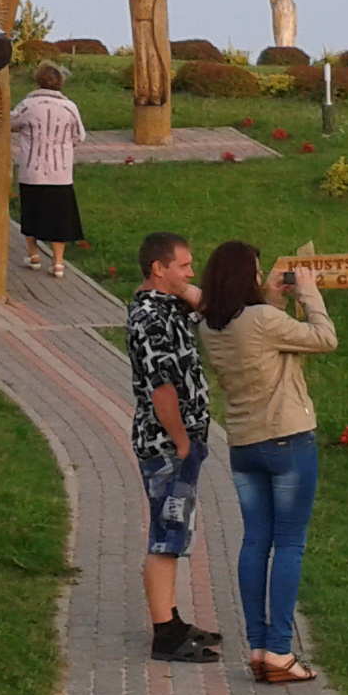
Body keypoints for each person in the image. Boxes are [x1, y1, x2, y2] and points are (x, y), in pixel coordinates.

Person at [196, 244, 336, 684]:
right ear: (246, 277)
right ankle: (279, 650)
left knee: (255, 540)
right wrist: (309, 293)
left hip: (244, 444)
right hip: (288, 440)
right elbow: (324, 338)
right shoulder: (261, 320)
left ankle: (258, 647)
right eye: (257, 272)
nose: (261, 278)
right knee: (289, 543)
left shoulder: (211, 325)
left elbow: (259, 339)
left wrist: (272, 299)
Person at [125, 231, 222, 664]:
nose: (190, 272)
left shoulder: (170, 305)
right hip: (167, 444)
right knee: (167, 534)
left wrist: (184, 288)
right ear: (157, 268)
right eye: (183, 266)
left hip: (182, 441)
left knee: (177, 530)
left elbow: (208, 305)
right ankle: (164, 634)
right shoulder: (149, 317)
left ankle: (173, 618)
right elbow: (161, 387)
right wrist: (182, 441)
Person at [12, 62, 87, 278]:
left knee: (31, 212)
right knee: (59, 216)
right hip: (60, 173)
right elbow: (79, 136)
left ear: (37, 80)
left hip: (32, 171)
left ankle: (33, 254)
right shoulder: (69, 107)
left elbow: (10, 122)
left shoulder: (27, 105)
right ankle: (58, 262)